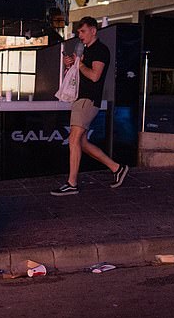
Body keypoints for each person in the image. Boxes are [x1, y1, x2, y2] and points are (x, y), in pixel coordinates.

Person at [51, 16, 129, 196]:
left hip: (88, 100)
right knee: (83, 143)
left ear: (94, 30)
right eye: (79, 32)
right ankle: (117, 168)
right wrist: (71, 66)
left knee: (73, 139)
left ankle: (72, 183)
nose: (80, 35)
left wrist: (79, 65)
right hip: (81, 98)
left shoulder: (100, 50)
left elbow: (95, 76)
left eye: (83, 31)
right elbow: (80, 75)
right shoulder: (86, 50)